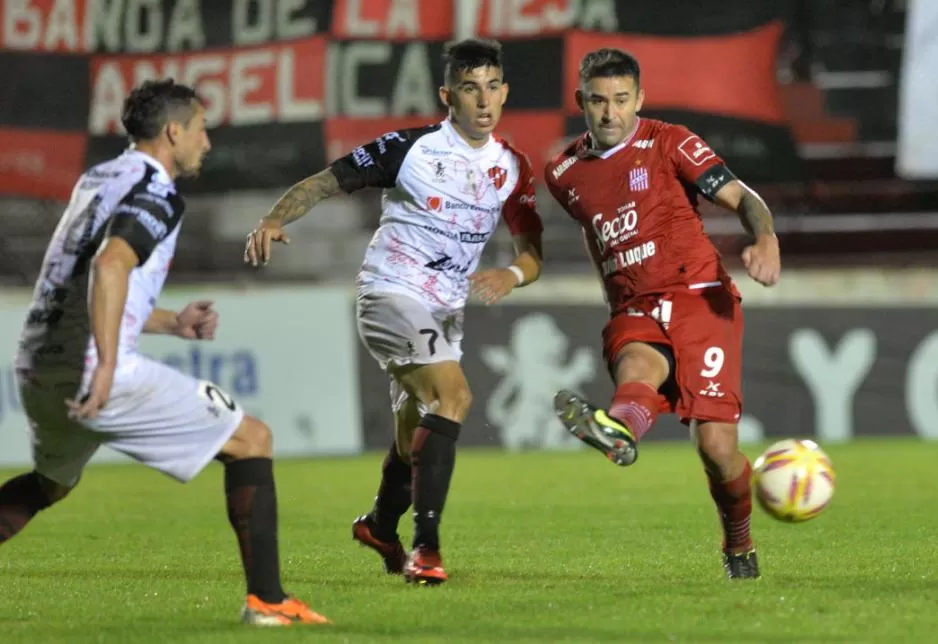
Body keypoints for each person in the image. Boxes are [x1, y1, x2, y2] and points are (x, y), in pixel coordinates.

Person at [0, 79, 329, 625]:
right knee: (253, 441)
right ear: (174, 132)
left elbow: (83, 280)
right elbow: (110, 266)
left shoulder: (97, 179)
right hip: (93, 369)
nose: (207, 142)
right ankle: (269, 603)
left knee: (48, 486)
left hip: (37, 362)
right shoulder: (157, 192)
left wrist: (171, 322)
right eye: (201, 129)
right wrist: (106, 367)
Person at [244, 39, 543, 585]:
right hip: (390, 293)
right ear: (447, 95)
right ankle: (426, 550)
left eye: (492, 87)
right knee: (454, 396)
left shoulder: (512, 168)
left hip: (445, 313)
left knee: (414, 438)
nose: (483, 100)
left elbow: (531, 253)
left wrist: (512, 274)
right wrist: (272, 218)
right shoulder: (411, 149)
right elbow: (326, 180)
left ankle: (382, 525)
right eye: (470, 89)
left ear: (505, 93)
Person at [545, 49, 781, 580]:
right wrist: (612, 291)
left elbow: (742, 196)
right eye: (599, 101)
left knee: (718, 451)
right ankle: (620, 430)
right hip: (634, 303)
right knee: (636, 365)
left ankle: (738, 544)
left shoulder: (670, 141)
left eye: (622, 100)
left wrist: (764, 237)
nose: (610, 113)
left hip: (700, 296)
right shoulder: (562, 172)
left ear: (640, 100)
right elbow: (593, 229)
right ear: (582, 100)